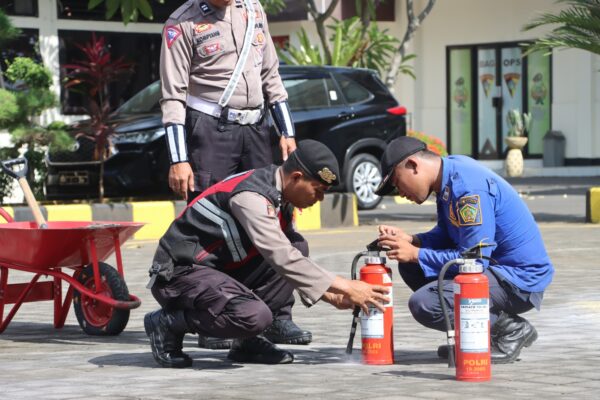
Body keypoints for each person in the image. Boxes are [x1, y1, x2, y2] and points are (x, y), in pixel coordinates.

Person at [144, 140, 390, 368]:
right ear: (296, 177)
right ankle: (168, 323)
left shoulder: (279, 194)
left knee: (296, 245)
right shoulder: (252, 197)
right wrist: (346, 286)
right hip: (180, 276)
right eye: (318, 189)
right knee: (254, 315)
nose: (320, 198)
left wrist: (331, 296)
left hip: (215, 272)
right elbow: (280, 255)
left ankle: (246, 342)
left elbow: (286, 255)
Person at [159, 0, 304, 348]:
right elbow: (173, 96)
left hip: (256, 130)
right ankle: (215, 319)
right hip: (210, 131)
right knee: (213, 226)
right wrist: (179, 159)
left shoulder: (253, 10)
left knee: (276, 216)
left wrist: (287, 132)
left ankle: (277, 315)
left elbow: (271, 76)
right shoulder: (182, 23)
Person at [374, 136, 554, 364]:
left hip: (518, 280)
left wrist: (416, 252)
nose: (399, 193)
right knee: (411, 266)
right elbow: (448, 235)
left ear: (413, 165)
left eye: (397, 183)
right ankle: (476, 334)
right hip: (496, 270)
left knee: (425, 304)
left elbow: (475, 260)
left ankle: (510, 329)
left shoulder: (468, 189)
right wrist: (412, 240)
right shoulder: (448, 175)